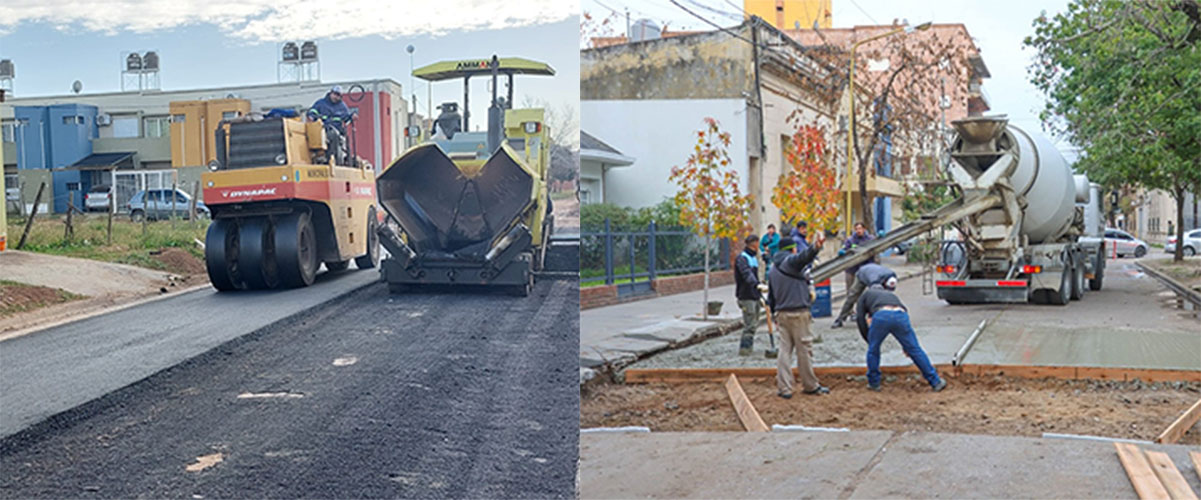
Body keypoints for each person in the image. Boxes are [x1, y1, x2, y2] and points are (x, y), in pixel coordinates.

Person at [767, 233, 829, 398]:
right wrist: (815, 247)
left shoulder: (773, 269)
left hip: (782, 314)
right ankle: (810, 385)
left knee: (784, 351)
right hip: (798, 313)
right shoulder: (790, 262)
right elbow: (803, 257)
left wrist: (774, 315)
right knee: (804, 350)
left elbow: (771, 297)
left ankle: (784, 388)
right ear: (792, 249)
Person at [856, 282, 947, 392]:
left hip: (881, 315)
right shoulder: (891, 296)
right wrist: (906, 347)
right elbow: (904, 312)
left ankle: (874, 383)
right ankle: (935, 382)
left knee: (873, 351)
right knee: (915, 350)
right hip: (900, 315)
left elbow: (860, 319)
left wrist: (869, 340)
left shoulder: (865, 295)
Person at [832, 262, 897, 330]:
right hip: (862, 274)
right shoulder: (874, 280)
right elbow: (873, 299)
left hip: (872, 271)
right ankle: (840, 319)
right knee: (852, 297)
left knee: (884, 297)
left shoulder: (892, 275)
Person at [838, 221, 876, 318]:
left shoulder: (870, 239)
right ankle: (849, 312)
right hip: (852, 270)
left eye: (860, 229)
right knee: (850, 292)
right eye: (856, 229)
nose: (858, 231)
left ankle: (863, 311)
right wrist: (843, 252)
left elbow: (876, 249)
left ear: (864, 229)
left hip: (864, 270)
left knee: (863, 292)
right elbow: (845, 249)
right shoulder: (851, 240)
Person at [734, 235, 763, 356]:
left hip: (754, 295)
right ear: (755, 244)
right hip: (746, 295)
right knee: (749, 324)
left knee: (754, 323)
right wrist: (756, 284)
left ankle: (748, 347)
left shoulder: (753, 258)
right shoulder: (742, 258)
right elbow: (747, 274)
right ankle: (745, 349)